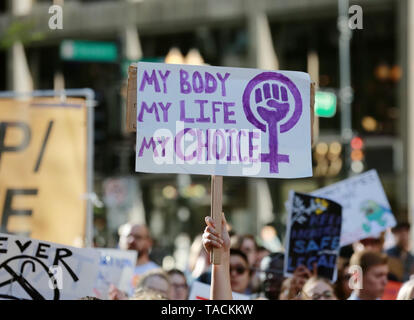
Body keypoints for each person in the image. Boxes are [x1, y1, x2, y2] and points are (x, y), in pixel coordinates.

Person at [118, 223, 160, 291]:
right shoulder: (107, 269)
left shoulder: (156, 275)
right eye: (127, 236)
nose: (131, 240)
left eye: (138, 237)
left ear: (149, 242)